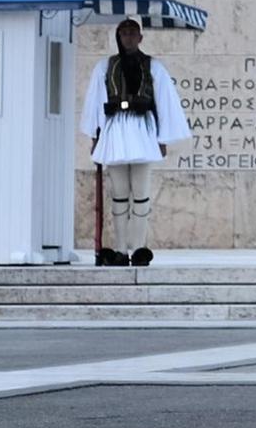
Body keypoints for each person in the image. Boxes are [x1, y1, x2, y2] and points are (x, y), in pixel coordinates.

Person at [79, 19, 191, 266]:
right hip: (116, 129)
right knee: (119, 195)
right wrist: (95, 137)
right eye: (124, 33)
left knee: (140, 194)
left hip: (142, 130)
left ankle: (138, 248)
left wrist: (162, 138)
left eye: (132, 33)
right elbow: (95, 102)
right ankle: (120, 249)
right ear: (118, 37)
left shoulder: (154, 66)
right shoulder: (105, 66)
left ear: (140, 38)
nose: (128, 37)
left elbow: (165, 102)